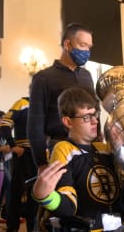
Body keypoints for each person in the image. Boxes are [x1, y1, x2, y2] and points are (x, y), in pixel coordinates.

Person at [32, 87, 124, 232]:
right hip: (88, 228)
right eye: (86, 117)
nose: (95, 122)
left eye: (95, 115)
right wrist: (46, 196)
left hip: (122, 225)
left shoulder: (104, 148)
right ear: (68, 122)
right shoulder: (64, 149)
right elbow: (68, 208)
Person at [27, 22, 96, 173]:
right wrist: (41, 163)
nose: (87, 51)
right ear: (67, 44)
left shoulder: (87, 76)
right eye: (83, 45)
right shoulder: (44, 78)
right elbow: (35, 124)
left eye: (89, 47)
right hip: (59, 149)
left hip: (88, 150)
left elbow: (94, 114)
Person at [0, 96, 38, 232]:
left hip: (40, 156)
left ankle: (32, 228)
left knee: (36, 196)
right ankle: (12, 228)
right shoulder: (22, 103)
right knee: (16, 194)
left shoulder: (46, 106)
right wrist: (13, 146)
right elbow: (4, 125)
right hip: (24, 154)